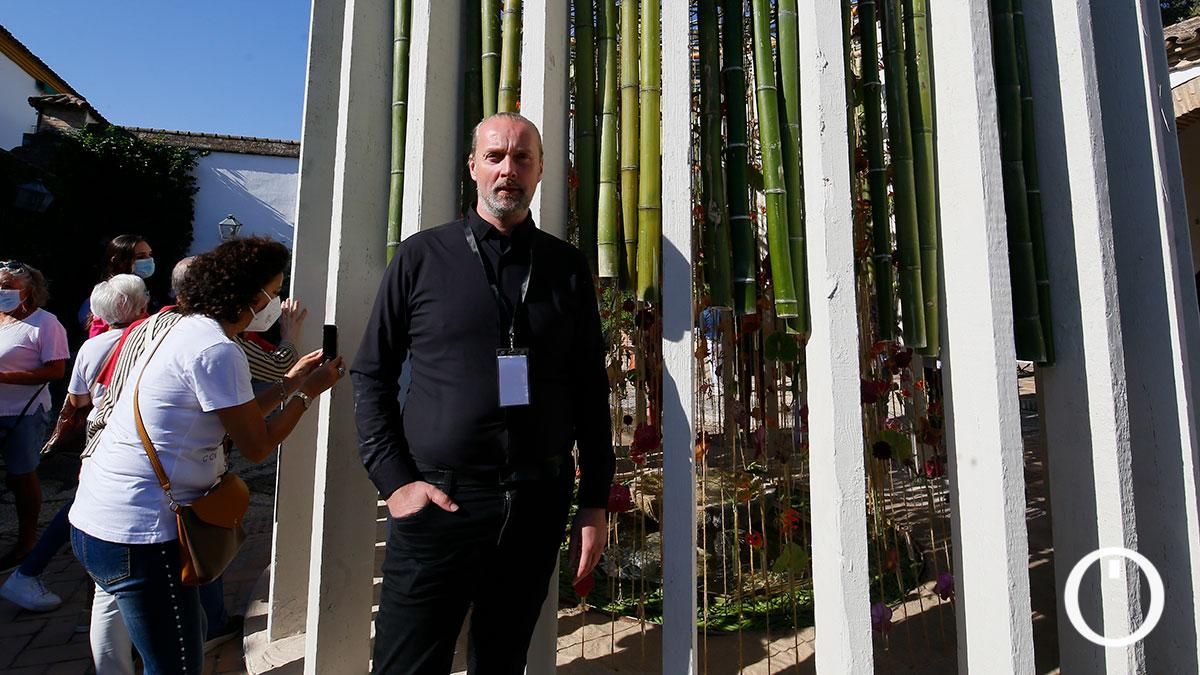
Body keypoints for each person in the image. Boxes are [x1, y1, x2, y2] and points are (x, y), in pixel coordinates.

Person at [352, 112, 615, 673]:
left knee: (502, 660)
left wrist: (594, 501)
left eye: (522, 158)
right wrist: (396, 483)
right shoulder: (421, 257)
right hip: (440, 502)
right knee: (406, 664)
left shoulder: (567, 269)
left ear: (541, 170)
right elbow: (371, 373)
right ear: (472, 167)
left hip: (536, 504)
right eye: (495, 156)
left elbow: (593, 389)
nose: (508, 170)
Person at [69, 237, 344, 673]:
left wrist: (289, 381)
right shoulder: (217, 349)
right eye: (273, 293)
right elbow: (255, 445)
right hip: (145, 536)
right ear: (250, 297)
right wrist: (308, 395)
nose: (276, 303)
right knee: (176, 664)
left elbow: (237, 414)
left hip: (97, 520)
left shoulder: (181, 327)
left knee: (121, 628)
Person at [0, 274, 149, 614]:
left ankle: (39, 576)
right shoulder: (148, 340)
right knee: (89, 514)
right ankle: (43, 578)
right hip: (125, 441)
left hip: (98, 439)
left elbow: (76, 399)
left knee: (86, 508)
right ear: (139, 306)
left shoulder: (91, 346)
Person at [0, 260, 69, 573]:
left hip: (22, 414)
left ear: (28, 290)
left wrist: (5, 377)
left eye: (7, 287)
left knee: (21, 475)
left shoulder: (46, 323)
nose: (1, 293)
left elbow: (55, 370)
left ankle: (27, 541)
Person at [79, 235, 156, 338]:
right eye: (140, 257)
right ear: (118, 261)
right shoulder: (110, 296)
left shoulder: (144, 290)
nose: (149, 260)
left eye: (149, 254)